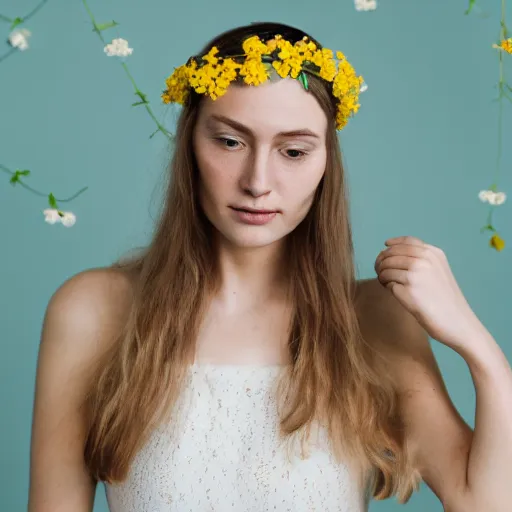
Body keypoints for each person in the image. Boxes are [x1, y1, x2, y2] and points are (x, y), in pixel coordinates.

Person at [28, 21, 512, 512]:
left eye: (294, 151)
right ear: (190, 144)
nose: (258, 181)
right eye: (230, 142)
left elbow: (485, 503)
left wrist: (482, 352)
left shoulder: (371, 322)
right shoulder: (92, 311)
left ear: (326, 163)